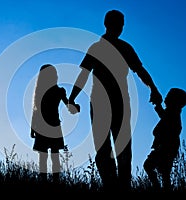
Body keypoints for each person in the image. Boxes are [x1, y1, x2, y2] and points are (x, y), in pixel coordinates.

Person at [68, 9, 162, 191]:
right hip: (101, 102)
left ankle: (122, 186)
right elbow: (83, 75)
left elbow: (139, 70)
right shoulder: (97, 48)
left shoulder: (124, 48)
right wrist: (72, 97)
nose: (120, 27)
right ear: (108, 24)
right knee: (104, 149)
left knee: (122, 148)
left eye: (121, 24)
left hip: (119, 102)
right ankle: (111, 186)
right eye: (117, 24)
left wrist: (153, 89)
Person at [30, 64, 80, 184]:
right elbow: (68, 105)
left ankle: (45, 181)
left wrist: (32, 128)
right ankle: (55, 182)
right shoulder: (58, 91)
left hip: (43, 126)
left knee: (44, 156)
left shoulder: (40, 92)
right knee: (54, 155)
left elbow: (35, 111)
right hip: (54, 126)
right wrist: (74, 108)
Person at [143, 88, 186, 191]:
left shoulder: (173, 114)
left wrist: (158, 106)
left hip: (165, 147)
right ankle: (160, 188)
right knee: (164, 172)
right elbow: (164, 116)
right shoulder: (173, 113)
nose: (166, 98)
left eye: (168, 96)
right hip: (166, 147)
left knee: (151, 167)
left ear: (174, 101)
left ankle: (157, 187)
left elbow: (165, 117)